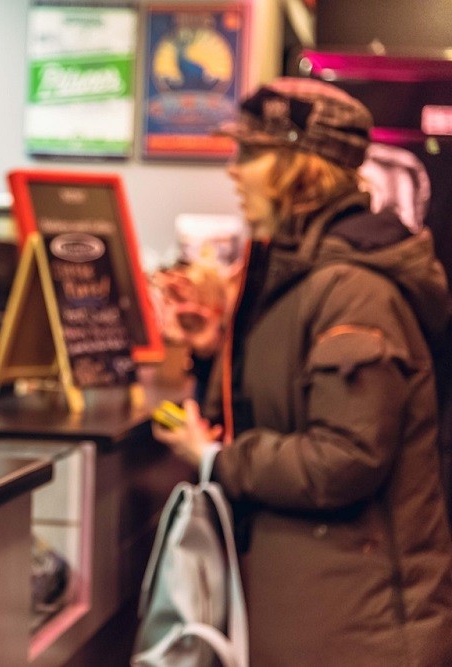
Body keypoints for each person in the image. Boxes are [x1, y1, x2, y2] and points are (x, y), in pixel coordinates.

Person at [152, 78, 452, 665]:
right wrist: (215, 349)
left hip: (359, 632)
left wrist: (218, 460)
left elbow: (345, 459)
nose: (234, 172)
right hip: (314, 611)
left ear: (302, 170)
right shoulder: (296, 271)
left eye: (252, 154)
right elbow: (288, 397)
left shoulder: (353, 288)